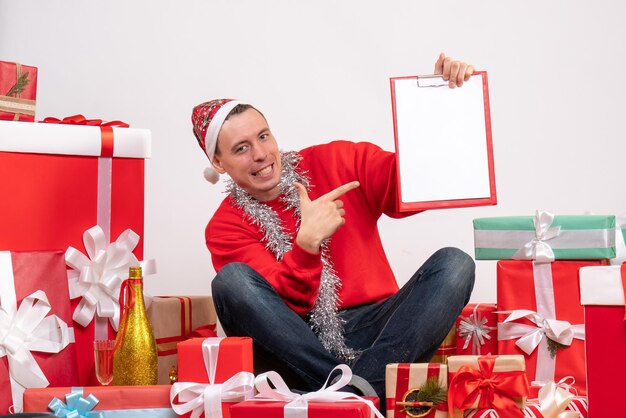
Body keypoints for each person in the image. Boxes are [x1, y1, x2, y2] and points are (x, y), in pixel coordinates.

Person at [191, 53, 476, 409]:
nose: (261, 154)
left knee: (455, 263)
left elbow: (415, 183)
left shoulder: (336, 160)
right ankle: (360, 395)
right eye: (241, 148)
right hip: (299, 345)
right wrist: (307, 244)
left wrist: (434, 103)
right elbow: (279, 314)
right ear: (218, 162)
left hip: (381, 331)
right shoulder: (225, 226)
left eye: (263, 136)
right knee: (231, 282)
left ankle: (348, 399)